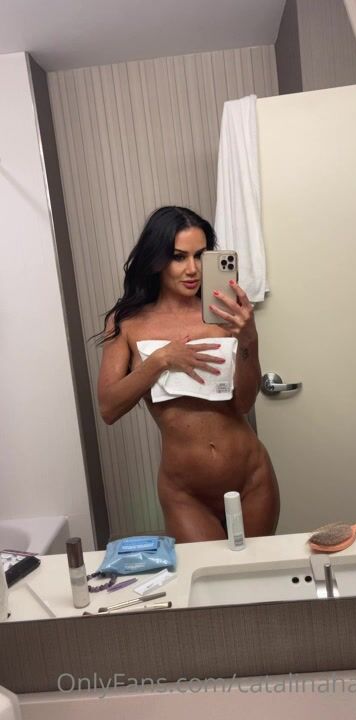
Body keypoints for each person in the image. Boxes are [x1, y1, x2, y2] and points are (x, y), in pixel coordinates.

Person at [97, 206, 279, 542]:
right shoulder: (127, 324)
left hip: (252, 478)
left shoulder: (225, 314)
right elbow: (109, 408)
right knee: (210, 577)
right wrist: (161, 359)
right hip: (186, 493)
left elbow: (243, 403)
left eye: (199, 255)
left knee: (258, 573)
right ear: (156, 260)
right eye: (179, 257)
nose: (192, 269)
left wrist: (249, 339)